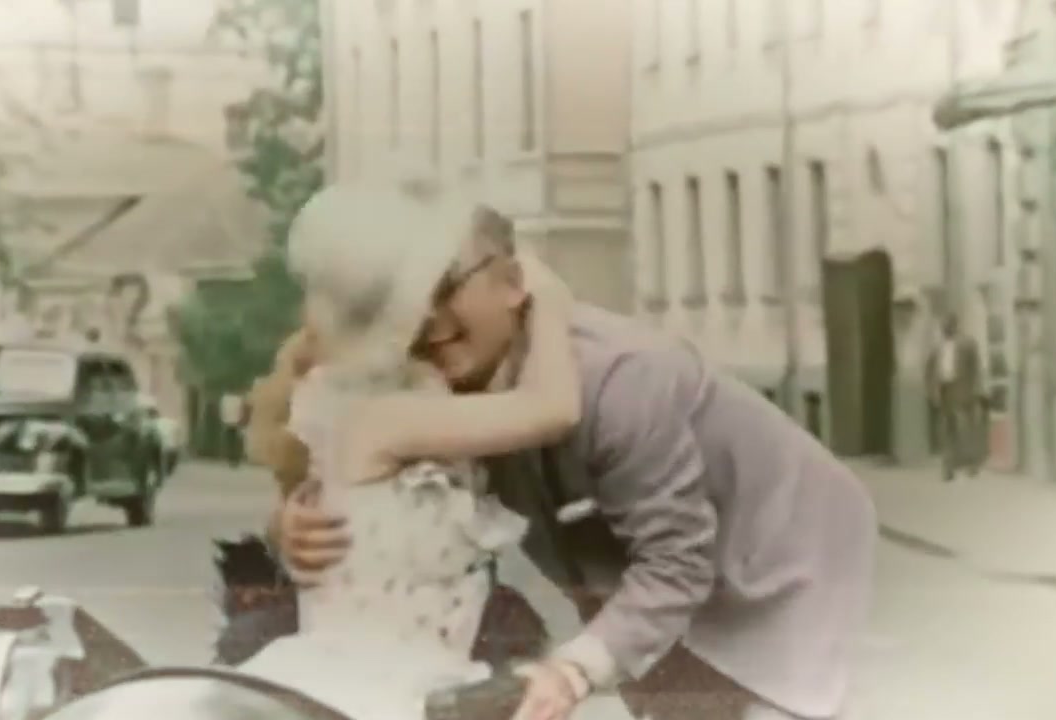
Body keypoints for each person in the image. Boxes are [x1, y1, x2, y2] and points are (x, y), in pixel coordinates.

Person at [271, 200, 878, 720]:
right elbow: (371, 488)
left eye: (446, 286)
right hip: (632, 563)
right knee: (658, 688)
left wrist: (575, 670)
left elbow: (675, 563)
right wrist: (304, 523)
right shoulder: (426, 389)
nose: (428, 317)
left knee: (755, 700)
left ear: (515, 283)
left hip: (781, 552)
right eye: (408, 296)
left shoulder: (618, 381)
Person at [232, 181, 587, 720]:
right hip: (387, 680)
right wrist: (551, 304)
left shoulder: (364, 400)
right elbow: (554, 408)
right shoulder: (387, 417)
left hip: (390, 668)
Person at [925, 313, 985, 481]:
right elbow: (930, 369)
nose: (946, 328)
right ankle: (948, 467)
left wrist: (975, 389)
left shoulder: (967, 344)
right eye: (944, 325)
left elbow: (975, 367)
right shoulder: (938, 347)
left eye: (950, 324)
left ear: (955, 326)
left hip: (963, 389)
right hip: (945, 390)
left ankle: (971, 463)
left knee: (964, 428)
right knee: (946, 429)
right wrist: (932, 390)